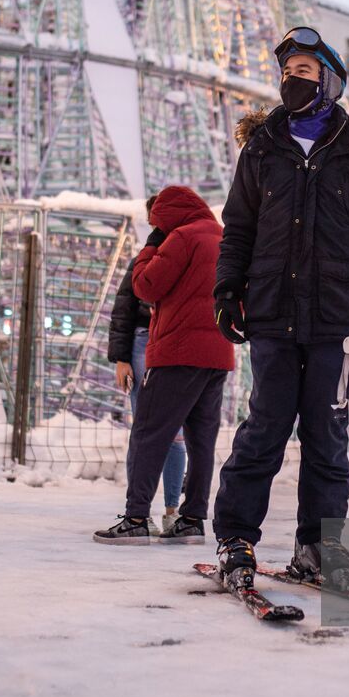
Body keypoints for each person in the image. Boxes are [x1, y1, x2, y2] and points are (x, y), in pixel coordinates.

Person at [210, 26, 349, 586]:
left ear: (330, 82)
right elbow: (238, 229)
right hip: (270, 312)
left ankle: (318, 548)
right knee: (264, 429)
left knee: (326, 437)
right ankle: (235, 540)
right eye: (287, 72)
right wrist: (226, 292)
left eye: (305, 72)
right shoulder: (262, 148)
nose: (293, 81)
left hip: (336, 321)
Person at [94, 186, 232, 544]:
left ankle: (136, 517)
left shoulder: (181, 238)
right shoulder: (222, 237)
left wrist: (151, 245)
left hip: (177, 352)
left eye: (157, 222)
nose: (155, 227)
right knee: (202, 440)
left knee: (149, 433)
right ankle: (192, 519)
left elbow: (145, 286)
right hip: (217, 353)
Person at [107, 195, 187, 532]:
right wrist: (121, 357)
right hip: (146, 339)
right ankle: (142, 512)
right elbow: (125, 305)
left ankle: (167, 510)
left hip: (173, 341)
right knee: (150, 430)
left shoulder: (189, 248)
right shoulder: (149, 255)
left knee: (171, 433)